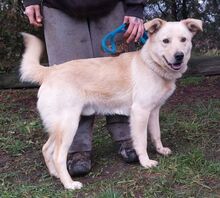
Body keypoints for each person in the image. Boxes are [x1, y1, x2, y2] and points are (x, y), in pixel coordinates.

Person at [23, 0, 145, 177]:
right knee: (69, 83)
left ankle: (126, 136)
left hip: (112, 7)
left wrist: (135, 7)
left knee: (119, 73)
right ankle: (77, 148)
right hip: (59, 8)